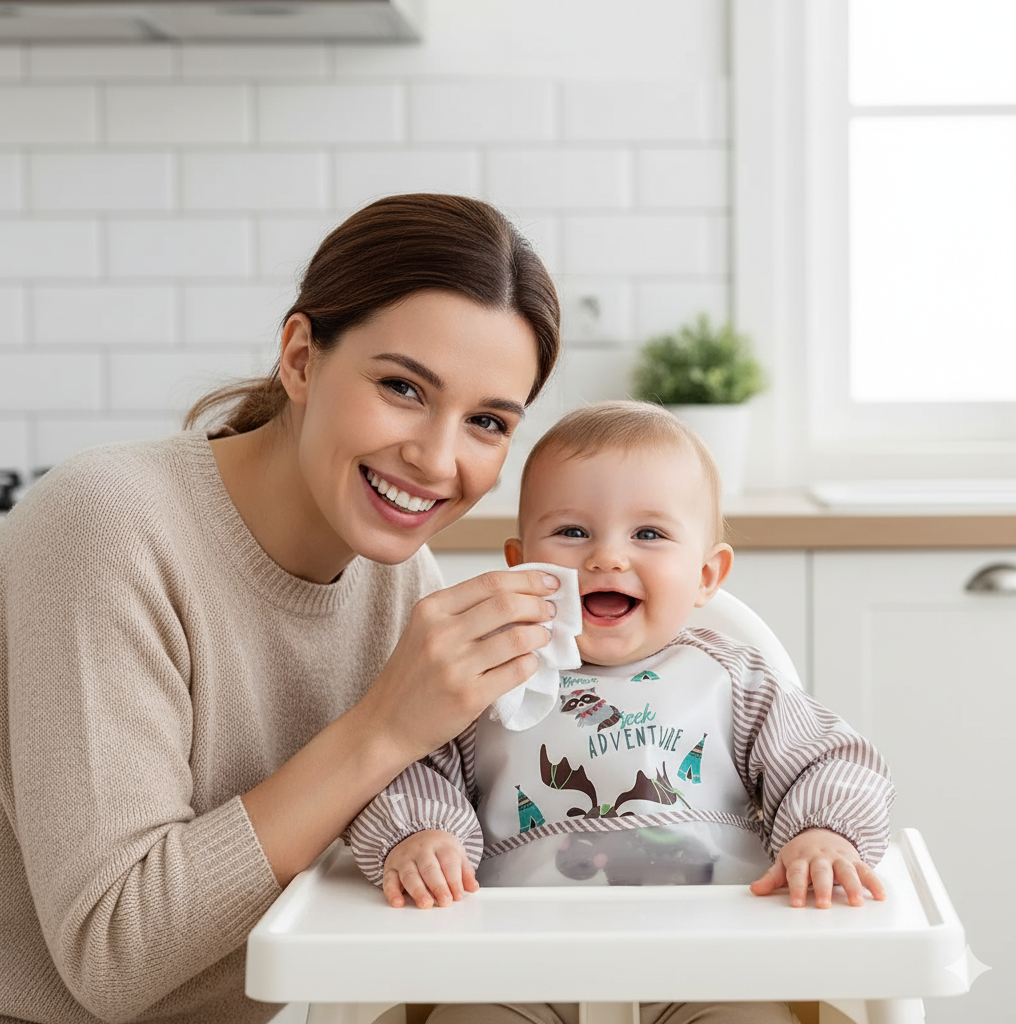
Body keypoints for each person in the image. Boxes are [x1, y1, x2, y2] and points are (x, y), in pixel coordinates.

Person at [0, 194, 565, 1024]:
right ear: (300, 358)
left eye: (486, 421)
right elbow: (111, 954)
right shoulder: (107, 521)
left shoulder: (403, 581)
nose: (438, 459)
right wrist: (385, 727)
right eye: (403, 387)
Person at [349, 400, 896, 1024]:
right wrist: (421, 834)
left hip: (714, 958)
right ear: (520, 564)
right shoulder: (487, 678)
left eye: (650, 534)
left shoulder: (736, 680)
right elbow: (405, 764)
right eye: (573, 532)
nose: (607, 557)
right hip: (513, 961)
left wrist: (820, 834)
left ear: (706, 574)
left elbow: (832, 758)